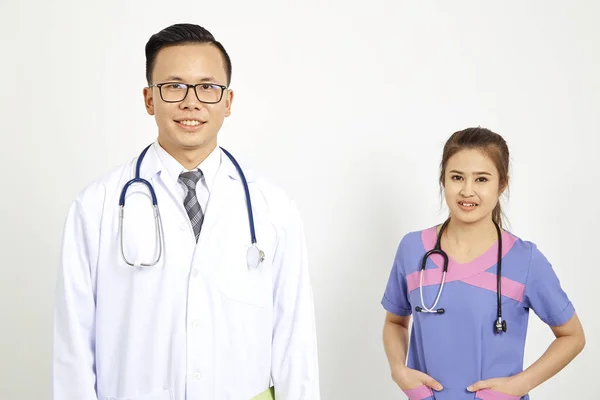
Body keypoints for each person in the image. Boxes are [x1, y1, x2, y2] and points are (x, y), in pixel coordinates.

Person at [52, 23, 320, 400]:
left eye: (208, 87)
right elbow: (73, 346)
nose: (191, 102)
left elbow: (295, 339)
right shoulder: (96, 206)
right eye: (173, 86)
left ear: (227, 101)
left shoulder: (273, 207)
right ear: (149, 99)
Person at [381, 127, 585, 400]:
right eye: (457, 177)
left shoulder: (525, 260)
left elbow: (572, 336)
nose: (467, 191)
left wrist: (520, 384)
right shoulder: (412, 249)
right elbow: (395, 322)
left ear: (502, 184)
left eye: (481, 179)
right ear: (443, 179)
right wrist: (399, 370)